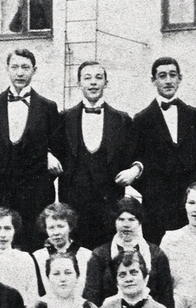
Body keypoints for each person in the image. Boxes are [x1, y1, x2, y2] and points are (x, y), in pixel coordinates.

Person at [129, 57, 196, 243]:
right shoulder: (142, 118)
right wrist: (150, 188)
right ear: (153, 80)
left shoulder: (192, 114)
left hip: (188, 202)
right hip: (157, 206)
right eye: (162, 76)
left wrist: (195, 179)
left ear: (180, 79)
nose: (168, 81)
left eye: (172, 75)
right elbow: (130, 160)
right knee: (159, 252)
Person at [0, 49, 62, 251]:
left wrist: (48, 155)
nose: (20, 73)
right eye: (14, 67)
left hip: (33, 195)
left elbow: (59, 149)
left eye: (25, 67)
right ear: (7, 69)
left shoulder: (47, 107)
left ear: (34, 70)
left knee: (32, 247)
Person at [50, 61, 139, 251]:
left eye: (98, 78)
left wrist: (134, 170)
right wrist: (48, 156)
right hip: (73, 205)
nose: (93, 83)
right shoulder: (64, 118)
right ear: (79, 83)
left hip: (110, 204)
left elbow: (137, 155)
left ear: (106, 82)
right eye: (87, 78)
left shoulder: (122, 120)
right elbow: (48, 148)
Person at [83, 197, 174, 308]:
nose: (126, 225)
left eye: (131, 219)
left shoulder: (156, 254)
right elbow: (92, 297)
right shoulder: (100, 255)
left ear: (139, 222)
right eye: (121, 219)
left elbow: (166, 296)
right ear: (114, 221)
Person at [31, 202, 94, 300]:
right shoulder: (38, 257)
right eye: (51, 228)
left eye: (60, 226)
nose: (56, 232)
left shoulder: (86, 255)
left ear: (70, 227)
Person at [0, 208, 39, 305]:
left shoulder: (25, 258)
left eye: (7, 228)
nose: (2, 235)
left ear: (14, 230)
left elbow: (33, 295)